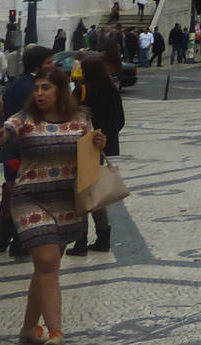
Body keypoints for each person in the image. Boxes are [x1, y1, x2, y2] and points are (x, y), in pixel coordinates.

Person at [0, 66, 104, 343]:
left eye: (46, 88)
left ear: (60, 91)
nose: (39, 93)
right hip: (30, 199)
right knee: (47, 260)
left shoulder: (80, 120)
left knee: (45, 269)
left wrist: (100, 143)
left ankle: (29, 329)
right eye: (37, 88)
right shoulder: (25, 119)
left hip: (66, 201)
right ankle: (56, 332)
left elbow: (91, 159)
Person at [0, 45, 53, 259]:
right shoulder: (33, 88)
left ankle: (1, 240)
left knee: (11, 195)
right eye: (48, 62)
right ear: (37, 66)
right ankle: (19, 243)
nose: (52, 66)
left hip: (12, 150)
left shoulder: (17, 83)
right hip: (24, 152)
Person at [71, 56, 123, 256]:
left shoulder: (82, 90)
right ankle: (103, 237)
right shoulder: (111, 89)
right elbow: (119, 119)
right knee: (94, 192)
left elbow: (72, 116)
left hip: (83, 146)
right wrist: (105, 138)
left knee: (82, 192)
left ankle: (81, 241)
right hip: (100, 147)